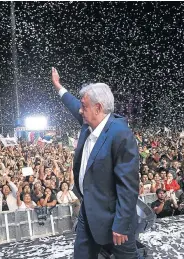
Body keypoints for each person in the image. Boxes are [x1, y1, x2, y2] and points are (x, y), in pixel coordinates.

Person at [51, 67, 140, 259]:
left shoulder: (120, 135)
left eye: (84, 107)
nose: (80, 111)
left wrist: (122, 224)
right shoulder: (89, 122)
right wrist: (58, 86)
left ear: (98, 108)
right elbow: (74, 104)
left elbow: (128, 186)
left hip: (113, 216)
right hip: (88, 210)